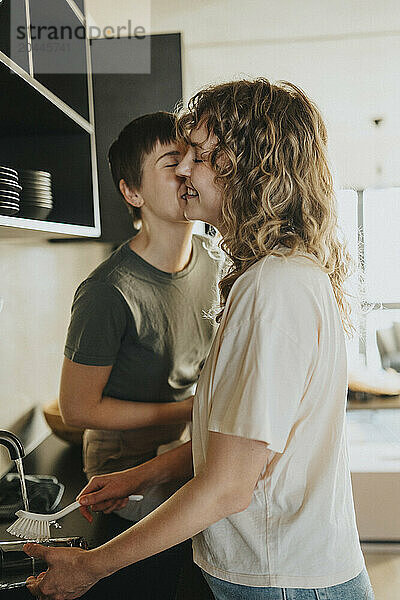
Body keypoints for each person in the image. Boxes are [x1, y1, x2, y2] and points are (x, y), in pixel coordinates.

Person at [24, 79, 375, 600]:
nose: (183, 169)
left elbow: (230, 484)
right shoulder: (268, 276)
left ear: (254, 167)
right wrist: (139, 474)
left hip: (278, 578)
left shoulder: (272, 288)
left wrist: (92, 566)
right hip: (273, 568)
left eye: (203, 157)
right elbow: (240, 447)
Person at [56, 111, 221, 598]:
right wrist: (190, 409)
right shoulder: (109, 290)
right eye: (171, 162)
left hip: (188, 459)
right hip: (124, 480)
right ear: (133, 193)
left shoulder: (214, 265)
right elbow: (77, 408)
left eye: (193, 158)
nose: (188, 170)